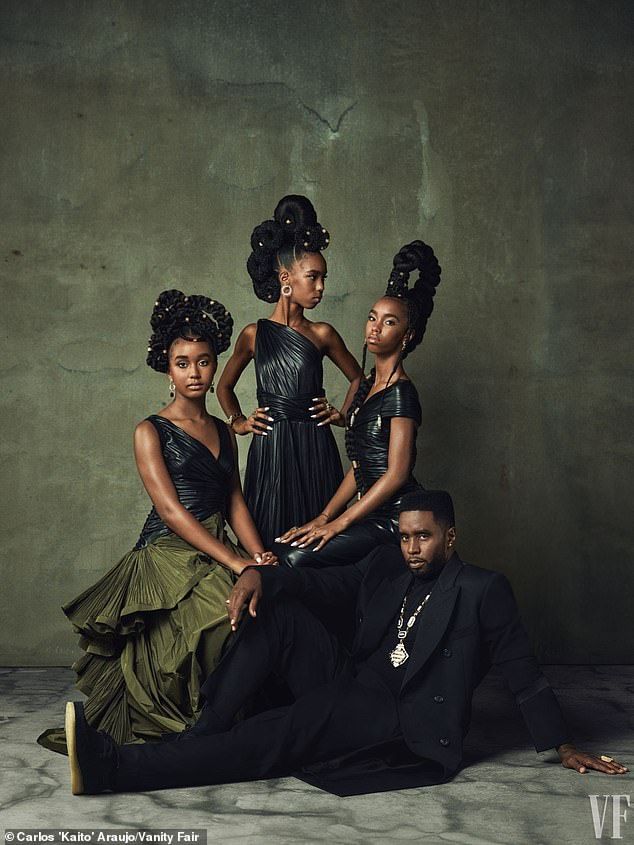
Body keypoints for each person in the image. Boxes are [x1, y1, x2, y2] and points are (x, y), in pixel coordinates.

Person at [63, 488, 628, 796]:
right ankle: (207, 726)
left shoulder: (482, 590)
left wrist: (562, 745)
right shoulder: (386, 566)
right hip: (350, 678)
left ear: (450, 538)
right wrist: (262, 573)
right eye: (406, 536)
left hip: (393, 714)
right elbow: (317, 581)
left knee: (271, 736)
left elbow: (522, 670)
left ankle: (116, 768)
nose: (412, 548)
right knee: (276, 614)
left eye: (424, 537)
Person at [38, 289, 275, 754]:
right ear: (167, 369)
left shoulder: (226, 430)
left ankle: (213, 717)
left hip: (215, 542)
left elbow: (234, 500)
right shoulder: (150, 430)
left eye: (204, 362)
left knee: (255, 607)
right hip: (168, 550)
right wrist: (236, 560)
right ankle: (179, 723)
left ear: (214, 365)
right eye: (183, 362)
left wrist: (258, 555)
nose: (195, 373)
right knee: (212, 615)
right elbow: (170, 510)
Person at [273, 240, 440, 567]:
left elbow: (396, 474)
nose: (375, 328)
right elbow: (359, 467)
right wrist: (324, 517)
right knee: (284, 549)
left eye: (389, 322)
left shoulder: (401, 393)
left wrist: (340, 523)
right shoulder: (367, 387)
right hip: (368, 513)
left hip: (394, 518)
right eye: (372, 318)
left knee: (296, 558)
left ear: (406, 336)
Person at [217, 195, 362, 547]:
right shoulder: (253, 335)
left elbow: (360, 379)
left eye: (323, 278)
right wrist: (238, 422)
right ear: (286, 278)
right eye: (313, 277)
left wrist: (343, 414)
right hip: (270, 447)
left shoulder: (323, 333)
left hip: (315, 444)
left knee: (317, 543)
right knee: (270, 540)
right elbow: (224, 387)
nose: (321, 287)